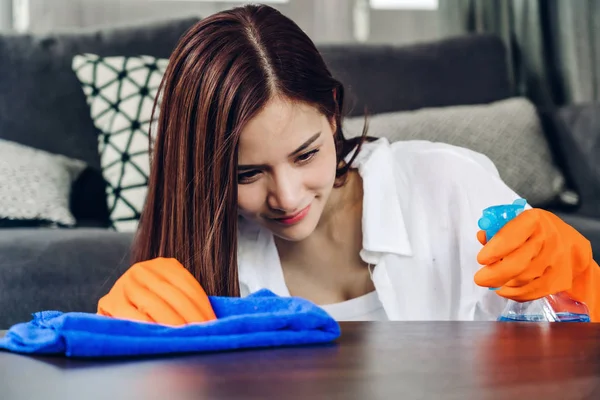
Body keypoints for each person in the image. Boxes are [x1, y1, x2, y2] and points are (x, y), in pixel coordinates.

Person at [96, 4, 600, 324]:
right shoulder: (205, 251)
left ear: (332, 112)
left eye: (306, 153)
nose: (288, 197)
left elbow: (564, 341)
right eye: (248, 174)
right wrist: (119, 351)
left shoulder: (451, 183)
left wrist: (583, 285)